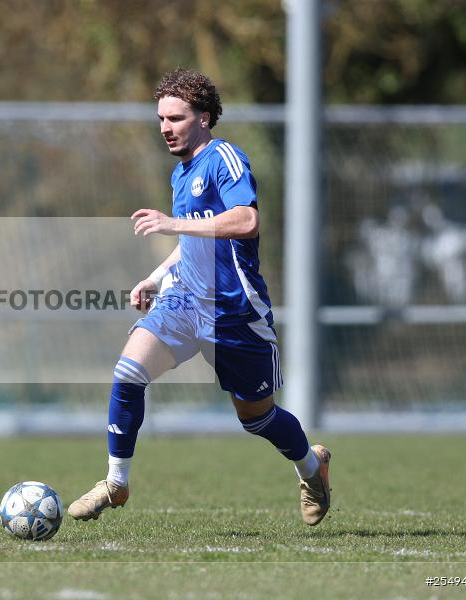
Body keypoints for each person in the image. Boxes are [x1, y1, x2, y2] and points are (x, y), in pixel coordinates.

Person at [68, 69, 332, 526]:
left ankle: (312, 466)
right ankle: (115, 481)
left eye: (176, 117)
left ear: (205, 118)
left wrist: (173, 224)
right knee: (128, 373)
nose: (166, 127)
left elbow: (245, 220)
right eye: (161, 119)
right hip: (185, 301)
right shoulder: (180, 173)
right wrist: (155, 275)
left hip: (235, 312)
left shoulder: (223, 157)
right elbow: (193, 240)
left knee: (256, 418)